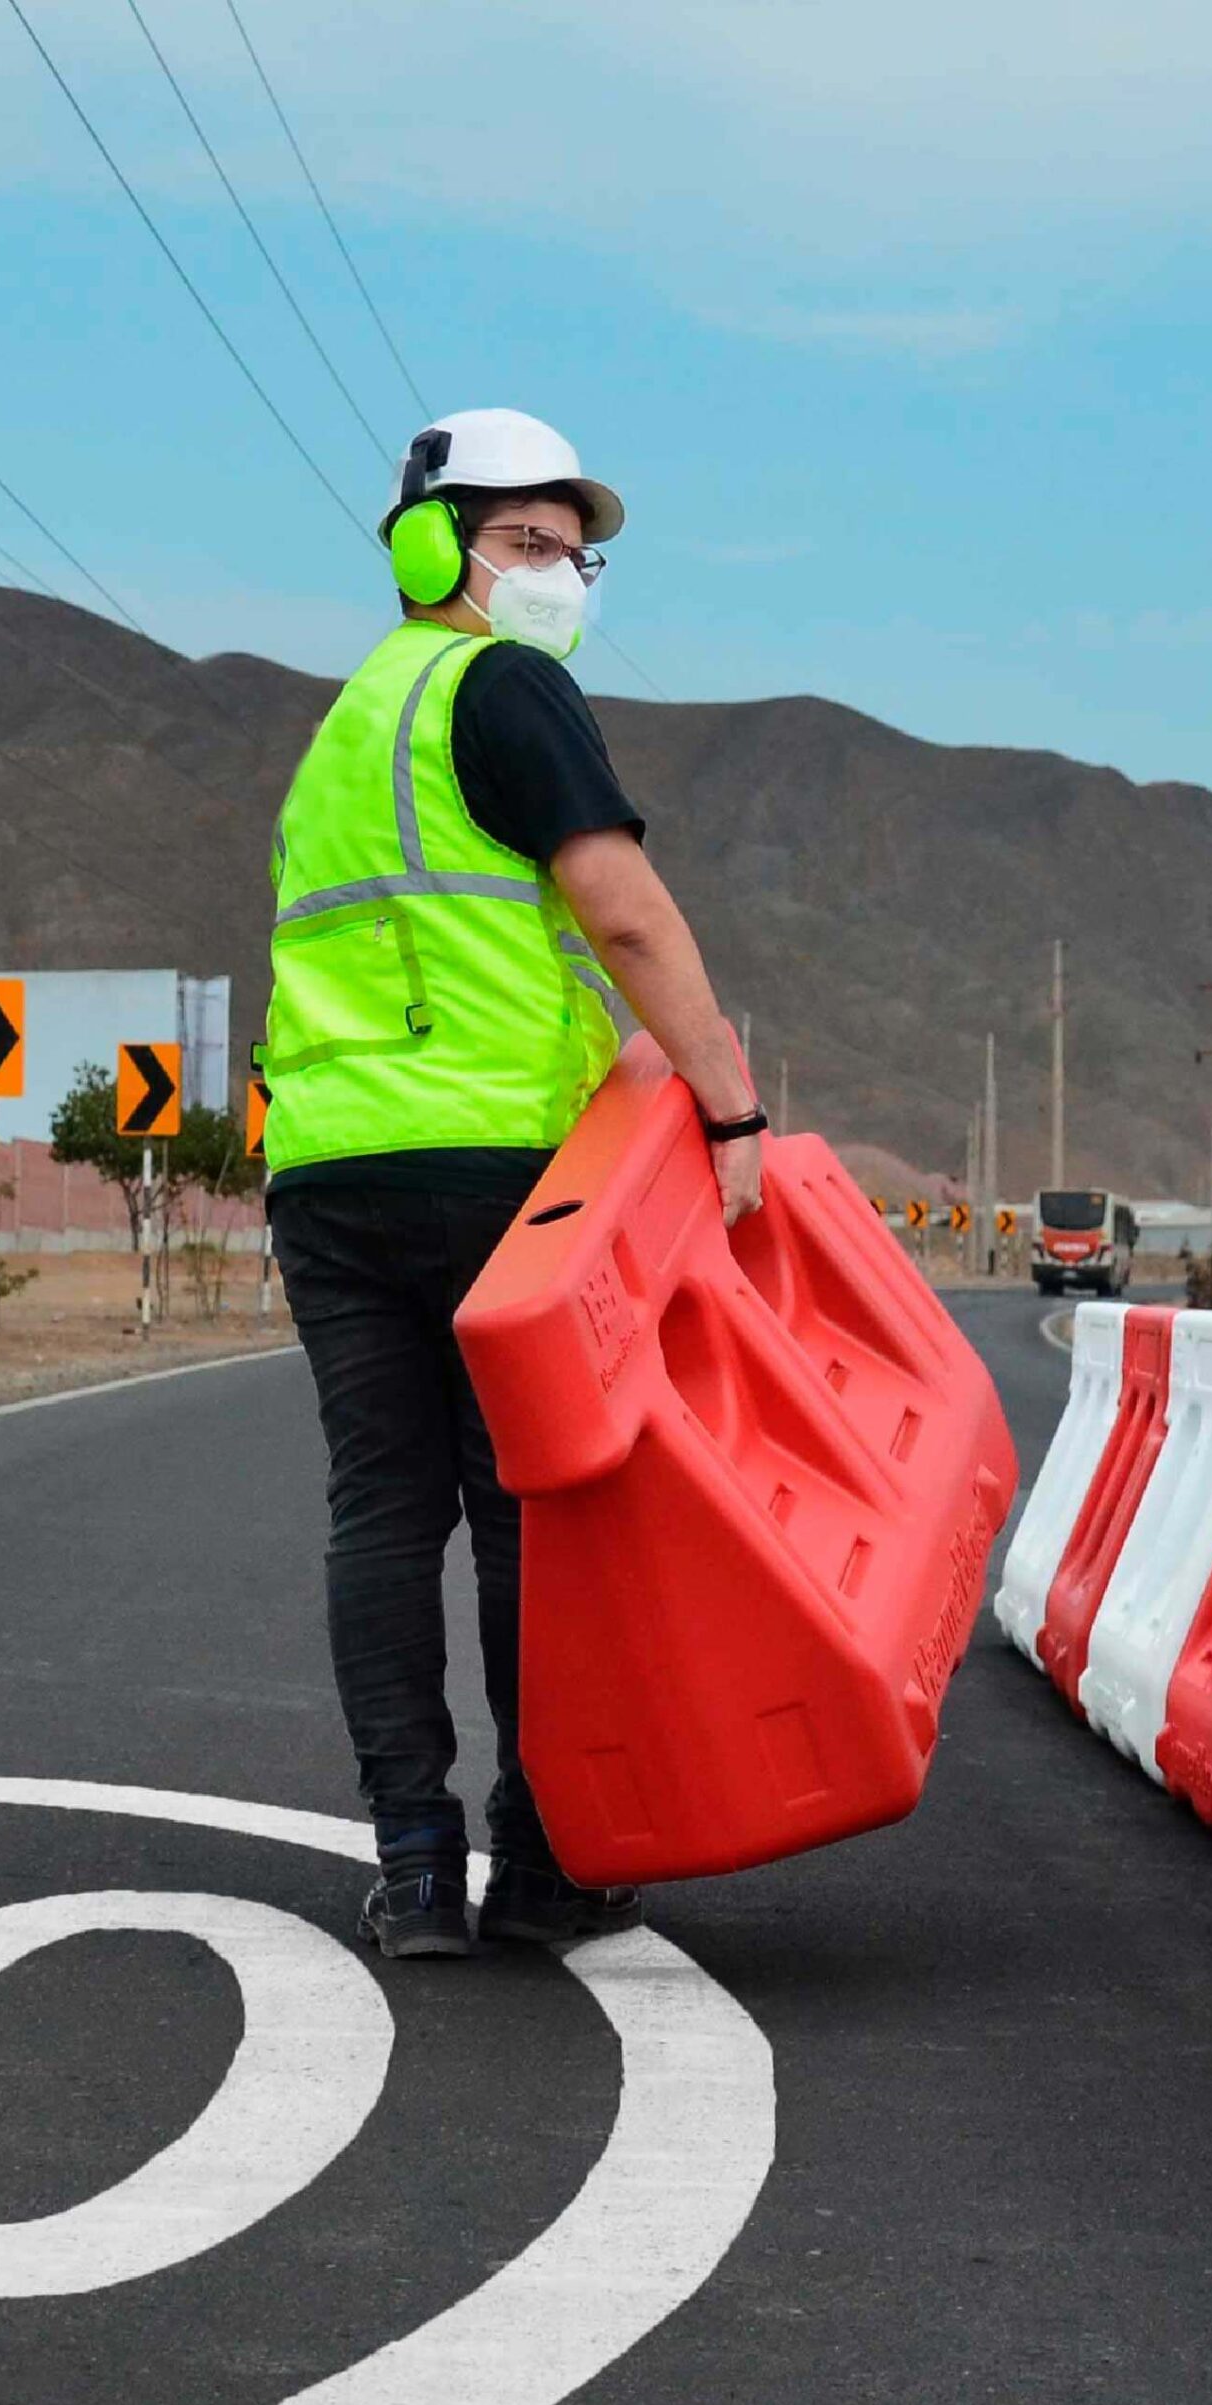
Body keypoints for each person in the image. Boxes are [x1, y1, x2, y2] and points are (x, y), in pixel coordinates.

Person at [261, 407, 765, 1958]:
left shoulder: (345, 729)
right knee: (525, 1513)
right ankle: (541, 1863)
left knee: (379, 1509)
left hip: (326, 1174)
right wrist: (731, 1107)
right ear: (432, 548)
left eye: (573, 552)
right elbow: (624, 913)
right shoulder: (504, 687)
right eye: (526, 541)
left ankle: (415, 1870)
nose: (557, 574)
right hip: (495, 1173)